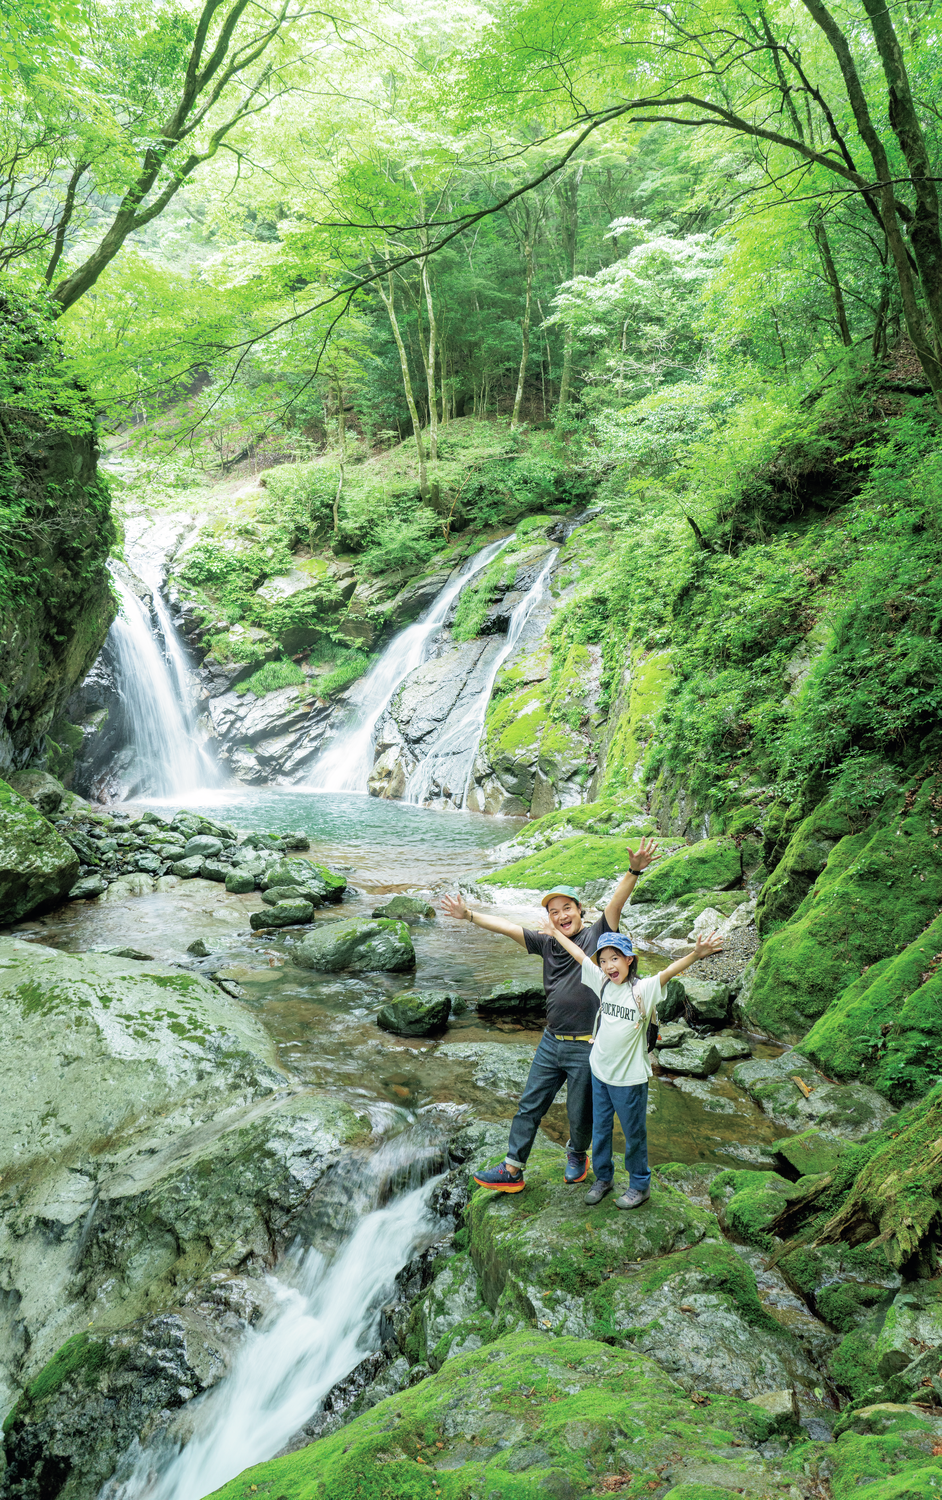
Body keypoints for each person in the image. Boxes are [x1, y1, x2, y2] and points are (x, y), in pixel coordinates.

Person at [440, 836, 659, 1192]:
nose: (560, 916)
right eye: (553, 912)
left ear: (579, 910)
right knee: (530, 1105)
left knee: (579, 1112)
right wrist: (469, 916)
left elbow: (617, 902)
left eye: (566, 909)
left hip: (588, 1045)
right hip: (550, 1040)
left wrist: (634, 870)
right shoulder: (546, 942)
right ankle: (512, 1168)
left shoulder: (599, 936)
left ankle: (578, 1154)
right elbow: (508, 927)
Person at [540, 920, 724, 1209]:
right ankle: (603, 1178)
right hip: (599, 1073)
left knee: (633, 1134)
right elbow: (578, 954)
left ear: (629, 960)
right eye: (603, 960)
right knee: (600, 1130)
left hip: (629, 1079)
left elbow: (666, 973)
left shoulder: (643, 990)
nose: (608, 966)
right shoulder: (601, 982)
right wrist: (554, 934)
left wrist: (695, 954)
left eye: (614, 959)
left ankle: (640, 1185)